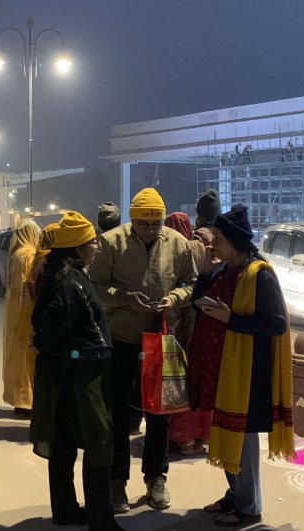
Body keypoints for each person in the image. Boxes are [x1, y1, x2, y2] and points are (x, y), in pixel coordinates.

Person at [90, 187, 197, 512]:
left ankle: (156, 477)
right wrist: (123, 298)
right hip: (121, 339)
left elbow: (190, 283)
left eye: (155, 223)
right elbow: (95, 286)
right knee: (119, 414)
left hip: (160, 338)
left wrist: (174, 299)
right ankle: (116, 481)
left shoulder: (177, 243)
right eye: (143, 224)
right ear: (132, 219)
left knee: (160, 413)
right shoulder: (112, 242)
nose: (149, 230)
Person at [194, 205, 295, 526]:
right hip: (224, 369)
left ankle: (249, 507)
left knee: (243, 439)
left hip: (248, 373)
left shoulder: (258, 274)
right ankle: (235, 495)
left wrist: (232, 319)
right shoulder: (226, 269)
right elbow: (198, 303)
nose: (212, 244)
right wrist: (205, 272)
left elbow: (276, 324)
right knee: (228, 433)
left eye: (218, 239)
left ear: (235, 242)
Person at [29, 211, 122, 530]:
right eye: (92, 242)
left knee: (64, 442)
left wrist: (42, 342)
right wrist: (42, 341)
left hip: (66, 373)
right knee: (99, 442)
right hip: (80, 377)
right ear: (79, 249)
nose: (97, 246)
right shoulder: (69, 282)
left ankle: (65, 509)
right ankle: (101, 518)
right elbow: (53, 323)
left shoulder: (62, 274)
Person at [163, 211, 208, 455]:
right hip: (200, 326)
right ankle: (198, 436)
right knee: (196, 381)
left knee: (175, 383)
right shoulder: (202, 248)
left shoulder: (171, 251)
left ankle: (179, 438)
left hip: (174, 329)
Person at [2, 220, 41, 418]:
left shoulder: (15, 255)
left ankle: (19, 400)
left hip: (15, 314)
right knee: (28, 358)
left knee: (17, 357)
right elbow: (30, 288)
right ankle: (27, 401)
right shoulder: (29, 255)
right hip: (27, 313)